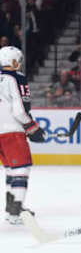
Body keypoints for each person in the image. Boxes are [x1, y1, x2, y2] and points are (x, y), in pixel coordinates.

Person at [0, 46, 45, 224]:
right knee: (21, 169)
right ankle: (15, 212)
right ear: (12, 61)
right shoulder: (14, 78)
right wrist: (32, 126)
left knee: (11, 170)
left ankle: (11, 208)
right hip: (12, 132)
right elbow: (19, 110)